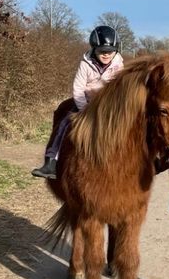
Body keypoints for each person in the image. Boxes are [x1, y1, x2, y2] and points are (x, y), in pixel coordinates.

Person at [32, 25, 124, 179]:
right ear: (94, 49)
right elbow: (78, 88)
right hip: (85, 102)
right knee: (64, 123)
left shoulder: (118, 66)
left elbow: (120, 88)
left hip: (107, 104)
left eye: (110, 51)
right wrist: (84, 109)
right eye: (102, 51)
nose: (106, 55)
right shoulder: (85, 64)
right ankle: (51, 162)